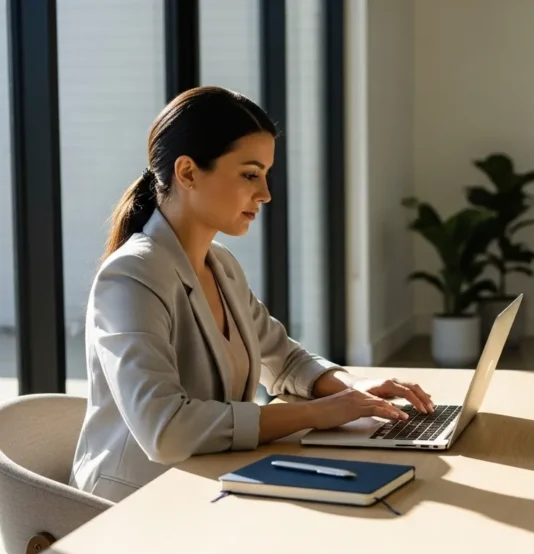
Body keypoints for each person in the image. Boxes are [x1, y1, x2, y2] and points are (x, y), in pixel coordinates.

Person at [70, 86, 433, 502]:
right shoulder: (131, 276)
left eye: (265, 175)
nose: (265, 194)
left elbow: (286, 360)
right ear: (187, 173)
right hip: (135, 502)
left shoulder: (220, 264)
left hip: (212, 478)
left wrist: (355, 387)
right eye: (249, 174)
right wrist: (318, 412)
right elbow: (165, 430)